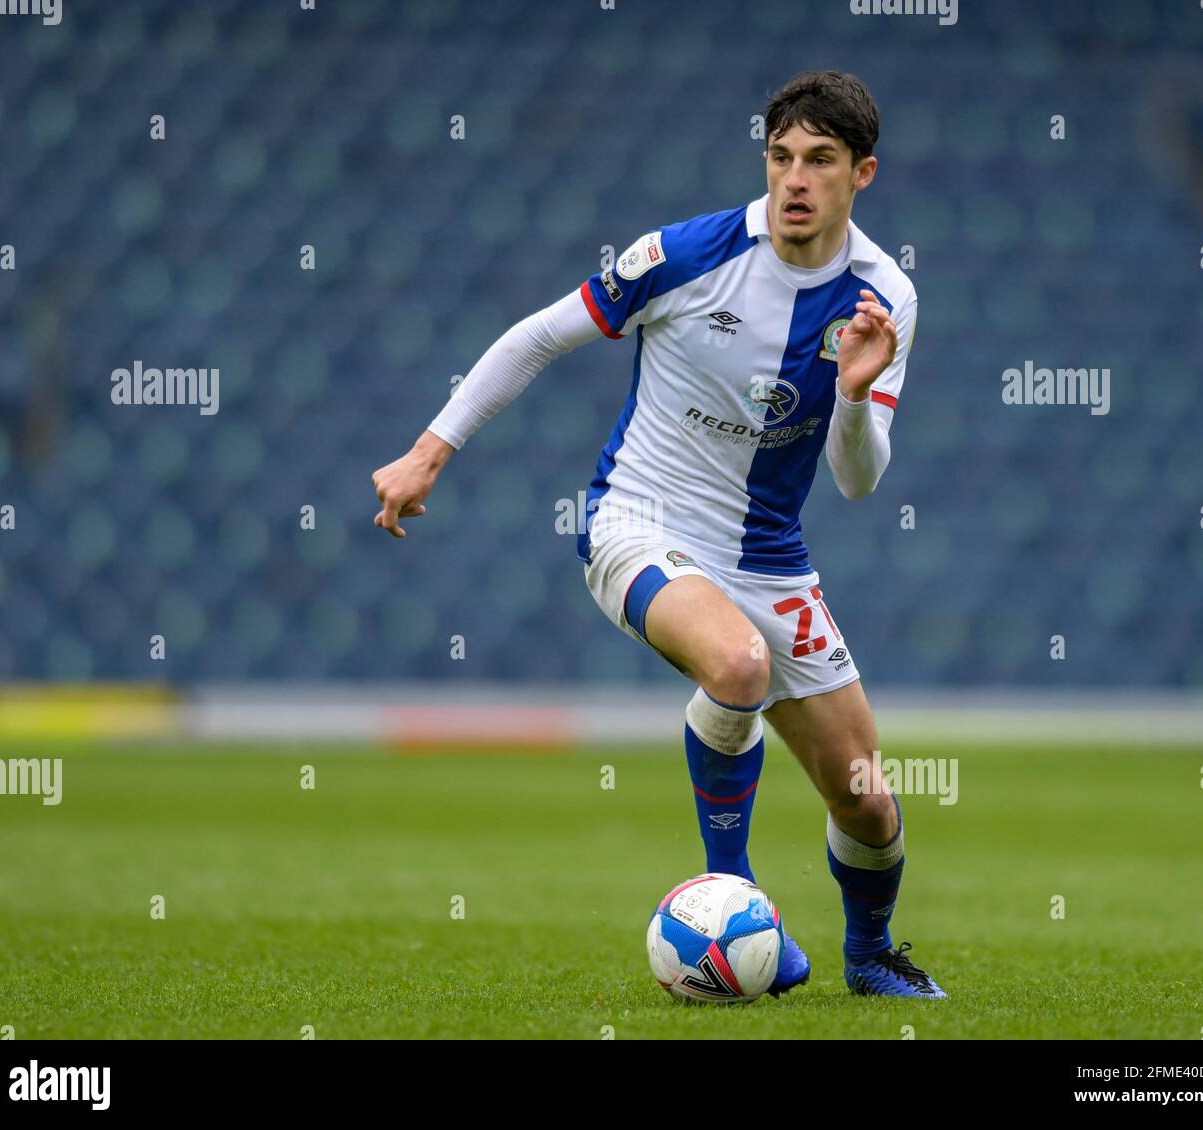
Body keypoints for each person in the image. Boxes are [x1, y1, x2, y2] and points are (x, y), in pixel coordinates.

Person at [372, 70, 945, 999]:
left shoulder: (886, 297)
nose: (795, 180)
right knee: (738, 667)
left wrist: (848, 392)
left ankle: (870, 954)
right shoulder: (686, 254)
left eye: (820, 162)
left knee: (868, 800)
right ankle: (736, 895)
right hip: (638, 520)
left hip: (768, 554)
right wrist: (430, 451)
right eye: (780, 157)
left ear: (862, 174)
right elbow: (537, 337)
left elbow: (858, 478)